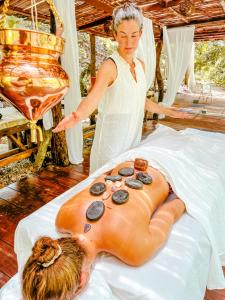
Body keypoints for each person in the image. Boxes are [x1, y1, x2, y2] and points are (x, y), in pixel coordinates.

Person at [52, 3, 190, 173]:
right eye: (123, 35)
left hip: (132, 141)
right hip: (110, 146)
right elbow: (92, 99)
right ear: (115, 35)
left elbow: (141, 100)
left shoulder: (141, 66)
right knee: (105, 189)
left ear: (140, 34)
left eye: (133, 35)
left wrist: (169, 111)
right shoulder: (110, 66)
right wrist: (76, 116)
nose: (129, 42)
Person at [22, 158, 186, 300]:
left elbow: (170, 211)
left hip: (166, 170)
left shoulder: (134, 250)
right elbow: (102, 178)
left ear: (82, 280)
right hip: (127, 161)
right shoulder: (62, 217)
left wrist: (185, 189)